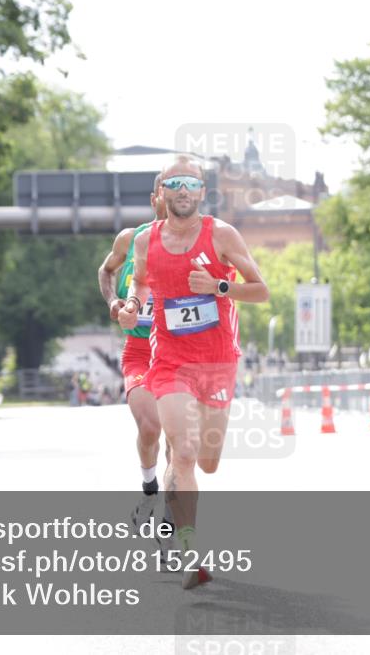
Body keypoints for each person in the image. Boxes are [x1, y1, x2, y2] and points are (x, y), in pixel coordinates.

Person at [119, 155, 269, 589]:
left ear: (202, 192)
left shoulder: (221, 235)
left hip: (218, 360)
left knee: (209, 461)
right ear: (162, 193)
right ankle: (190, 555)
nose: (182, 190)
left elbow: (261, 290)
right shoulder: (146, 241)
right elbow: (140, 282)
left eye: (191, 183)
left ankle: (175, 501)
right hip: (169, 361)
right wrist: (132, 305)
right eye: (174, 183)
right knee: (182, 453)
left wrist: (220, 286)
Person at [98, 173, 176, 556]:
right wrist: (114, 303)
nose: (176, 198)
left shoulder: (197, 245)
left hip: (180, 354)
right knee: (150, 427)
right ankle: (149, 491)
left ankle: (170, 526)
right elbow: (106, 270)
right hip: (141, 351)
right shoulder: (130, 240)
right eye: (168, 191)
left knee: (178, 444)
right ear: (154, 200)